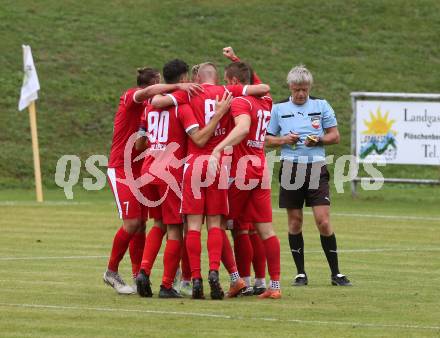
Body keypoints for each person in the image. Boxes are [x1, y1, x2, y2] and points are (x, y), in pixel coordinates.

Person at [151, 62, 270, 299]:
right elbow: (262, 88)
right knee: (216, 224)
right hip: (219, 165)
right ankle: (214, 271)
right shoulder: (228, 92)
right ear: (218, 78)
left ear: (197, 77)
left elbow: (156, 102)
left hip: (193, 163)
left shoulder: (188, 93)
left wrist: (183, 88)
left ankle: (195, 279)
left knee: (193, 226)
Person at [133, 59, 232, 298]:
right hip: (171, 172)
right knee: (177, 230)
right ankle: (167, 284)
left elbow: (139, 143)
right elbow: (197, 137)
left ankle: (143, 271)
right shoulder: (181, 102)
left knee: (158, 225)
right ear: (184, 79)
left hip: (149, 168)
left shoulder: (150, 107)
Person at [104, 67, 202, 295]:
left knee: (143, 224)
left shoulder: (152, 107)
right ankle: (111, 272)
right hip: (122, 168)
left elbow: (144, 138)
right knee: (133, 223)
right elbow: (151, 94)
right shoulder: (131, 96)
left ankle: (138, 274)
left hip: (145, 169)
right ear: (155, 82)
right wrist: (179, 86)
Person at [265, 65, 351, 287]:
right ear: (290, 87)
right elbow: (266, 139)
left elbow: (335, 136)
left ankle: (336, 273)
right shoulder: (279, 109)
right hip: (290, 169)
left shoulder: (321, 105)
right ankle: (300, 273)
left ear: (310, 87)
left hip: (316, 169)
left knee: (323, 221)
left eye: (304, 89)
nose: (300, 94)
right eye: (296, 90)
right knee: (295, 222)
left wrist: (319, 139)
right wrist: (285, 140)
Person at [209, 61, 282, 299]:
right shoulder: (266, 101)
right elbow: (260, 85)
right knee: (264, 230)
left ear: (233, 83)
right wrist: (236, 59)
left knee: (216, 225)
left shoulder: (240, 101)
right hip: (261, 168)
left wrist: (219, 148)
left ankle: (235, 280)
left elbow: (242, 128)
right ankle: (274, 286)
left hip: (241, 171)